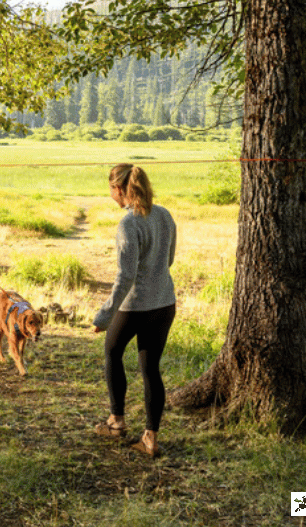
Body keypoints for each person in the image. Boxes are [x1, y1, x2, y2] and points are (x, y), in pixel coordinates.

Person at [92, 163, 176, 458]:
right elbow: (170, 258)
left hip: (136, 305)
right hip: (165, 303)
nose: (111, 196)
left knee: (112, 352)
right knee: (150, 369)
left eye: (110, 190)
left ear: (119, 189)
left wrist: (104, 315)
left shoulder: (128, 223)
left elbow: (125, 277)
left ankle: (116, 421)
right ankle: (150, 439)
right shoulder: (164, 214)